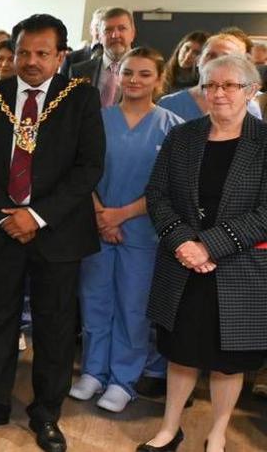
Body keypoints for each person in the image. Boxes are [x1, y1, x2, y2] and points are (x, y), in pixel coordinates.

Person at [0, 14, 105, 452]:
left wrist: (36, 216)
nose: (31, 61)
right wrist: (5, 215)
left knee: (54, 326)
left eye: (42, 53)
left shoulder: (81, 98)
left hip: (57, 233)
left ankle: (46, 414)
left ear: (61, 56)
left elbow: (89, 167)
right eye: (23, 52)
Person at [137, 54, 267, 452]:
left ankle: (217, 432)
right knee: (182, 352)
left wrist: (208, 245)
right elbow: (157, 196)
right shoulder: (183, 136)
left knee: (229, 361)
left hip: (241, 270)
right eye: (211, 85)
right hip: (183, 266)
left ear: (251, 90)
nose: (219, 93)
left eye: (230, 85)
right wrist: (184, 243)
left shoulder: (264, 142)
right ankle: (169, 428)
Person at [69, 48, 182, 413]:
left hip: (142, 232)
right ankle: (93, 371)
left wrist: (120, 215)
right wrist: (102, 214)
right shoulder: (97, 119)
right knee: (95, 302)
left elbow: (168, 186)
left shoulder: (173, 127)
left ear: (158, 80)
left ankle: (123, 379)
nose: (134, 80)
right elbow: (79, 170)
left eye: (145, 74)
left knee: (133, 308)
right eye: (129, 72)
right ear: (118, 76)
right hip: (95, 225)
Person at [158, 34, 263, 122]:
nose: (216, 62)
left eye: (226, 57)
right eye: (211, 55)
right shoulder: (169, 104)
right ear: (198, 60)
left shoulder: (248, 107)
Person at [71, 7, 136, 109]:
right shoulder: (79, 72)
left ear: (133, 33)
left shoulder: (147, 72)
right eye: (108, 30)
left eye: (122, 28)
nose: (115, 35)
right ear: (100, 37)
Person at [61, 7, 107, 76]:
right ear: (91, 29)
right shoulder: (71, 58)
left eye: (105, 28)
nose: (101, 32)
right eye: (97, 27)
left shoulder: (120, 60)